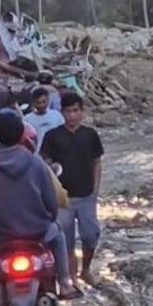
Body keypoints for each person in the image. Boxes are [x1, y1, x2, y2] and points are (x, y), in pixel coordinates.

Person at [0, 111, 79, 306]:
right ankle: (64, 283)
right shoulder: (36, 162)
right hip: (38, 232)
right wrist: (50, 219)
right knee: (59, 234)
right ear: (22, 133)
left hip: (1, 234)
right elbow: (50, 200)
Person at [40, 92, 104, 286]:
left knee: (90, 235)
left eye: (76, 110)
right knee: (66, 241)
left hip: (86, 196)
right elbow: (45, 163)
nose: (72, 115)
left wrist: (95, 189)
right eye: (68, 111)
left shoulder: (90, 135)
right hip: (63, 200)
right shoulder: (53, 136)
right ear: (63, 113)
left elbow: (97, 162)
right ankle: (73, 277)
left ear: (82, 112)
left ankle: (86, 269)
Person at [23, 87, 64, 154]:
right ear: (33, 102)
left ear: (48, 100)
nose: (41, 105)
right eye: (38, 102)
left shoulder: (57, 115)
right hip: (36, 155)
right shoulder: (27, 120)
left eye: (43, 102)